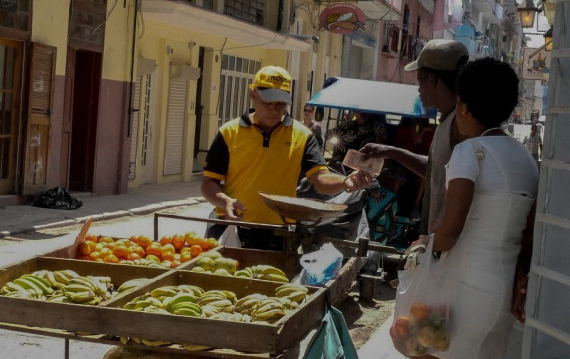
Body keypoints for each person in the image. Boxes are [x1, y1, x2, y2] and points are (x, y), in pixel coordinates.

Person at [413, 58, 538, 359]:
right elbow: (529, 236)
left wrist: (430, 245)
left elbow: (451, 230)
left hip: (459, 292)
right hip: (502, 294)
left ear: (464, 107)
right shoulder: (526, 160)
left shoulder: (469, 152)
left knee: (422, 352)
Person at [201, 65, 368, 251]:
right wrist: (225, 202)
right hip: (230, 227)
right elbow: (209, 182)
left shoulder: (303, 136)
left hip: (278, 233)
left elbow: (320, 179)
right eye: (268, 102)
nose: (274, 109)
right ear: (253, 94)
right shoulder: (229, 132)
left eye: (280, 103)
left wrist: (345, 181)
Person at [359, 39, 469, 237]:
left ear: (432, 80)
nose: (418, 89)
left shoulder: (461, 125)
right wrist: (391, 152)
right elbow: (436, 170)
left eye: (419, 80)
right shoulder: (448, 121)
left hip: (448, 245)